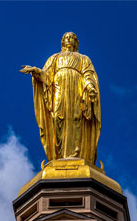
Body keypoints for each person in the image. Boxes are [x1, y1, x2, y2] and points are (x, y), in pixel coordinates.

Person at [21, 32, 101, 165]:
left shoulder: (83, 58)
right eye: (66, 37)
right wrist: (35, 71)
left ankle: (75, 153)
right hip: (59, 88)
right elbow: (47, 76)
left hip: (76, 88)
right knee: (57, 117)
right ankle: (61, 155)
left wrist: (90, 87)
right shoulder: (55, 58)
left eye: (72, 38)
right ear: (62, 42)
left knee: (76, 118)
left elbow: (88, 74)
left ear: (76, 42)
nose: (69, 39)